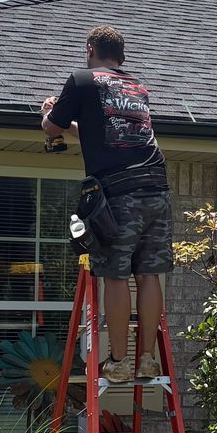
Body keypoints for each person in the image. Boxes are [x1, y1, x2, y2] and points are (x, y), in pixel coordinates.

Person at [41, 24, 172, 384]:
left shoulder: (82, 80)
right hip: (156, 188)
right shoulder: (137, 88)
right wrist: (73, 128)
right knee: (148, 274)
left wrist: (49, 113)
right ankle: (147, 359)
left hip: (118, 193)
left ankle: (118, 362)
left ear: (89, 49)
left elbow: (52, 128)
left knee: (114, 275)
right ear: (121, 56)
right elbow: (110, 133)